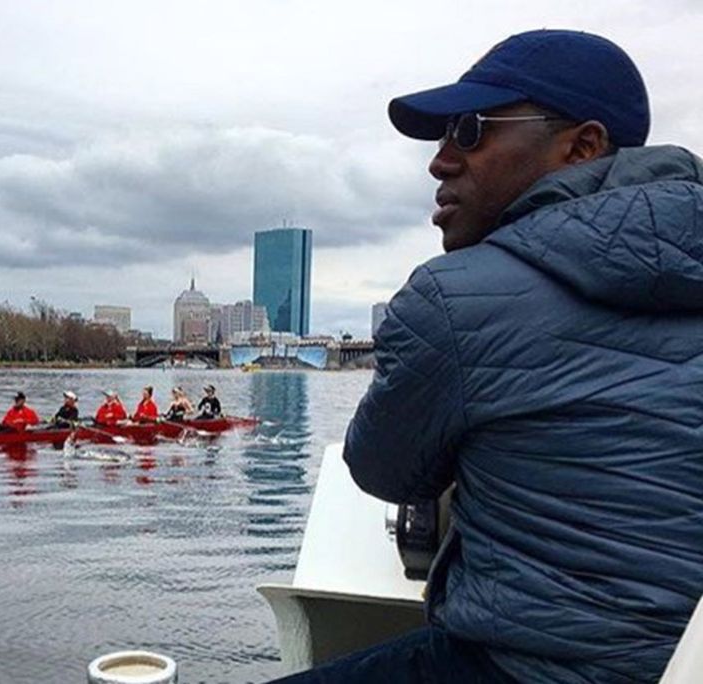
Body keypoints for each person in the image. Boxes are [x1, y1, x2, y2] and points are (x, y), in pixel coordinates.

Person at [275, 30, 703, 684]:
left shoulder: (454, 299)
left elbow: (383, 471)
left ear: (582, 146)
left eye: (470, 130)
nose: (440, 161)